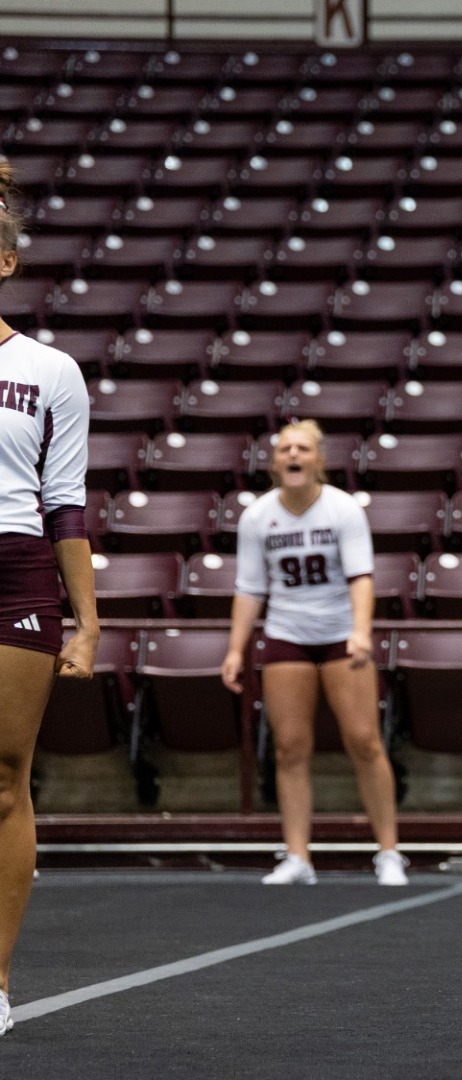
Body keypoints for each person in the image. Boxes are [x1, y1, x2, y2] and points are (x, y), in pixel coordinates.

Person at [222, 421, 407, 887]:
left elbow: (361, 576)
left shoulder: (342, 509)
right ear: (275, 461)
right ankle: (298, 855)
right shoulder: (257, 515)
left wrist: (361, 632)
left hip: (340, 632)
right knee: (289, 748)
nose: (293, 455)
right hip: (287, 631)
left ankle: (388, 851)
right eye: (285, 449)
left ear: (318, 460)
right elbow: (249, 588)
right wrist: (234, 649)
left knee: (364, 741)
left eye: (302, 448)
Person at [0, 160, 97, 1037]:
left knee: (3, 779)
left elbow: (64, 500)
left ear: (6, 263)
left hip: (17, 569)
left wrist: (88, 622)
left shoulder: (50, 370)